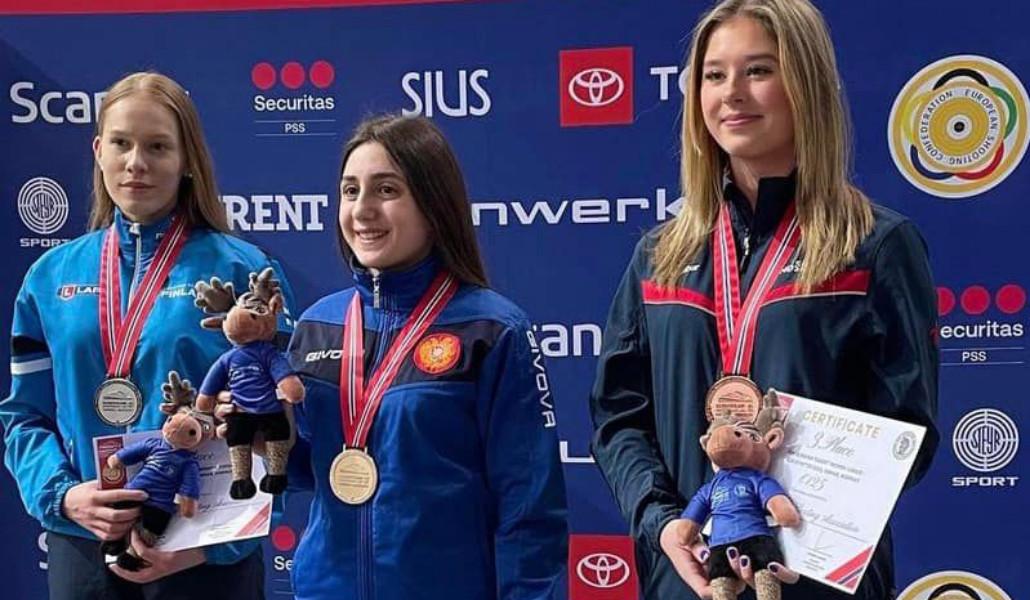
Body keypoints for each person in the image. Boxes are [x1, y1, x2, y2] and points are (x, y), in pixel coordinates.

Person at [588, 1, 939, 598]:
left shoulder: (874, 246)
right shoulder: (659, 256)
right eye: (713, 75)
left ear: (806, 84)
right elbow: (619, 416)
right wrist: (664, 523)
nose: (732, 93)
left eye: (758, 70)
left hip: (814, 579)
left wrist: (808, 530)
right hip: (691, 576)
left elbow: (908, 432)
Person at [1, 71, 294, 600]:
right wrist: (63, 497)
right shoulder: (48, 278)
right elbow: (25, 416)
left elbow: (279, 427)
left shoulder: (245, 272)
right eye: (121, 143)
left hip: (203, 550)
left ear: (187, 161)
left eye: (158, 146)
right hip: (84, 544)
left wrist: (213, 547)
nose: (136, 162)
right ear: (99, 151)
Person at [275, 114, 567, 600]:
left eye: (386, 190)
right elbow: (310, 468)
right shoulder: (318, 324)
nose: (362, 210)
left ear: (433, 203)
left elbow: (529, 507)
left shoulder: (493, 329)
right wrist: (270, 434)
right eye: (350, 191)